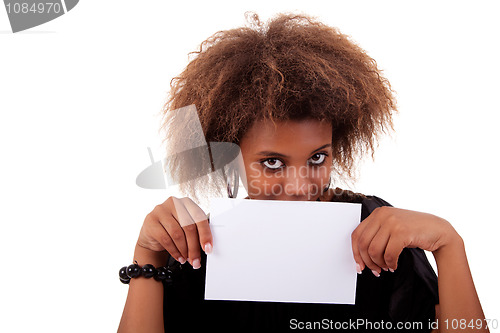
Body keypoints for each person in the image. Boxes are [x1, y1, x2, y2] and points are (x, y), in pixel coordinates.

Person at [118, 13, 488, 332]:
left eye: (317, 158)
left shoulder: (379, 232)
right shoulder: (200, 245)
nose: (299, 187)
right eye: (272, 163)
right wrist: (147, 257)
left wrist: (448, 243)